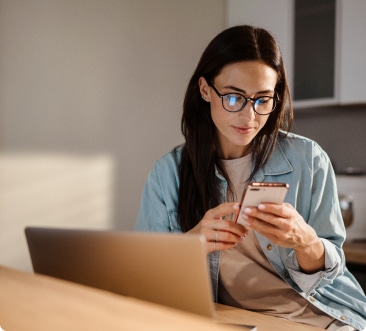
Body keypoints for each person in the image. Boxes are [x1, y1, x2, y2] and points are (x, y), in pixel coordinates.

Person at [134, 25, 366, 331]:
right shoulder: (168, 174)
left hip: (319, 318)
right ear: (205, 89)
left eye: (262, 100)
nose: (249, 117)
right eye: (234, 98)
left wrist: (306, 242)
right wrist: (191, 244)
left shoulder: (309, 160)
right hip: (237, 321)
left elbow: (330, 275)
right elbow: (141, 275)